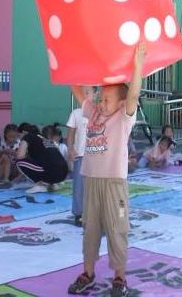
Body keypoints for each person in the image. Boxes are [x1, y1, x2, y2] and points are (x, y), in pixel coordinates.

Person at [67, 41, 145, 297]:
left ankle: (120, 277)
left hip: (114, 185)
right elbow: (78, 92)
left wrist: (137, 65)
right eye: (100, 98)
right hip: (92, 181)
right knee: (90, 228)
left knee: (117, 227)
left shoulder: (124, 117)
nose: (101, 103)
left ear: (121, 103)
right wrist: (67, 66)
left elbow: (133, 95)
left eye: (106, 99)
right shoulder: (94, 114)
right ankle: (88, 273)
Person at [66, 87, 95, 227]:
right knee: (79, 186)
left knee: (95, 186)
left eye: (88, 92)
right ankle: (79, 213)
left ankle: (94, 213)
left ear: (95, 94)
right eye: (82, 92)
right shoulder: (76, 113)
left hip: (96, 156)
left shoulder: (98, 112)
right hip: (81, 155)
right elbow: (70, 134)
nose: (84, 95)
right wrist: (70, 149)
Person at [15, 126, 69, 194]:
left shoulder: (27, 136)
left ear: (24, 132)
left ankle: (40, 185)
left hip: (53, 172)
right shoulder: (44, 138)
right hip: (64, 173)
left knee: (19, 162)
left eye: (18, 135)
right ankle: (51, 184)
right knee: (43, 164)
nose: (18, 138)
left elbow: (19, 156)